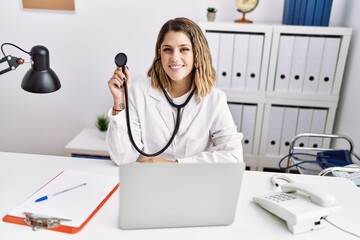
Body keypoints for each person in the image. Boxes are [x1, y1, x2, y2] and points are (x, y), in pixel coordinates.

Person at [106, 17, 243, 165]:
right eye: (167, 50)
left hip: (192, 182)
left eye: (184, 49)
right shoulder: (139, 92)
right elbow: (122, 158)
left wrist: (173, 165)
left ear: (196, 54)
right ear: (160, 54)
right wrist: (119, 103)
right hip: (149, 181)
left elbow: (234, 157)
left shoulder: (214, 99)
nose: (175, 57)